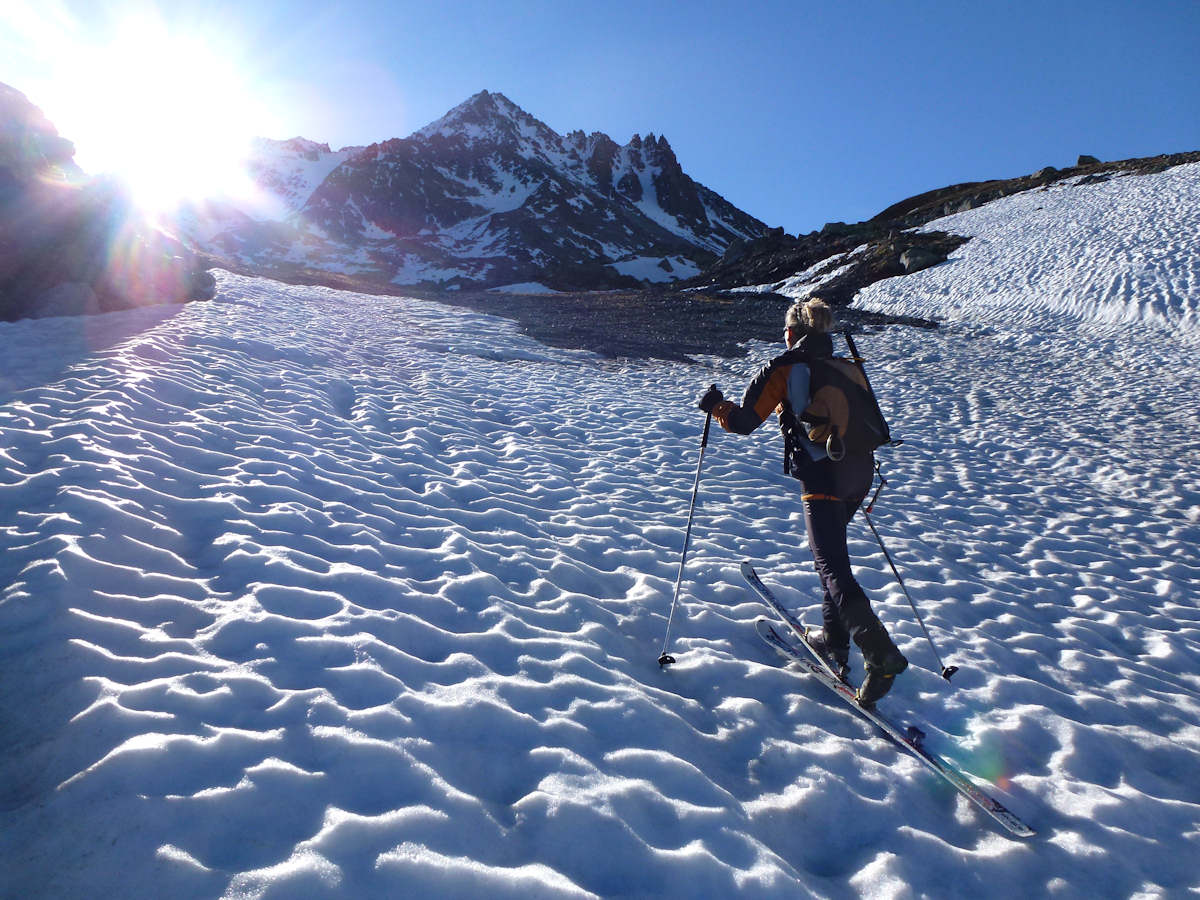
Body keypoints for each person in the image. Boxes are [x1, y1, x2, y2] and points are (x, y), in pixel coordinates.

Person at [698, 297, 908, 707]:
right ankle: (834, 640)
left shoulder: (786, 366)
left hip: (823, 474)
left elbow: (744, 422)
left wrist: (715, 407)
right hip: (860, 474)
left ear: (792, 333)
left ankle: (880, 654)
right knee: (832, 560)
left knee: (831, 567)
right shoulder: (849, 366)